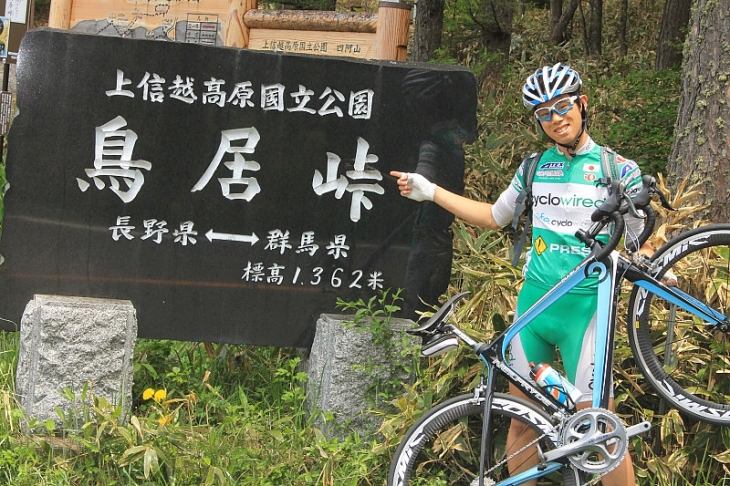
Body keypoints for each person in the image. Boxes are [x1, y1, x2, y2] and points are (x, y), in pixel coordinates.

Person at [391, 63, 651, 485]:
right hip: (533, 309)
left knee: (600, 429)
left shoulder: (617, 169)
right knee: (521, 422)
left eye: (563, 106)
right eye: (544, 113)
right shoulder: (533, 168)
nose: (556, 118)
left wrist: (660, 271)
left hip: (585, 312)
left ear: (582, 105)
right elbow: (494, 216)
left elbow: (642, 240)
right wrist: (431, 191)